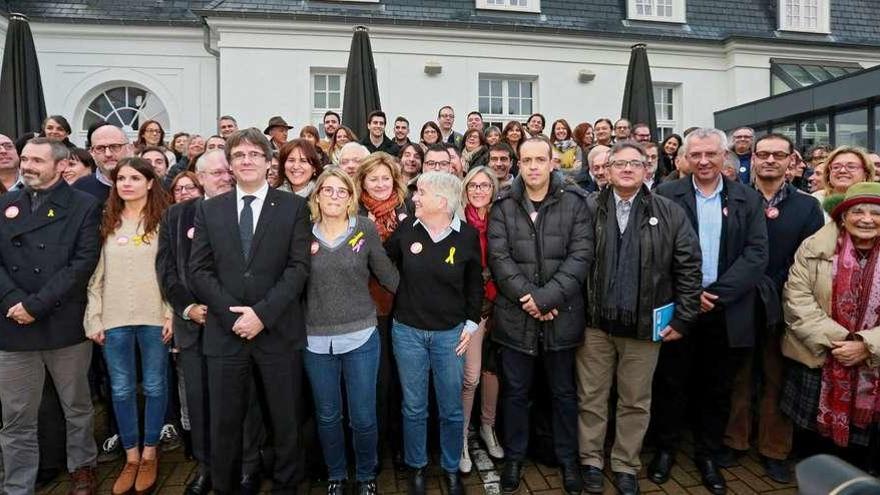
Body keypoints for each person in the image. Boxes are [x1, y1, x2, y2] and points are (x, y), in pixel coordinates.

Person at [189, 128, 310, 494]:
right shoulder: (209, 209)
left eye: (254, 154)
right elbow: (199, 270)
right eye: (239, 154)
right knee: (225, 424)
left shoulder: (294, 207)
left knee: (285, 421)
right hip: (225, 336)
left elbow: (298, 268)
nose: (246, 160)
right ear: (229, 163)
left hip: (277, 331)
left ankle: (287, 487)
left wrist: (261, 315)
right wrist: (233, 316)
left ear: (269, 162)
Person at [578, 141, 701, 495]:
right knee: (592, 397)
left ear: (648, 168)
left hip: (645, 326)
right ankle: (590, 461)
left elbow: (689, 266)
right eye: (620, 163)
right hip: (595, 323)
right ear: (607, 169)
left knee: (634, 400)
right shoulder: (587, 208)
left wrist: (683, 316)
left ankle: (625, 464)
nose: (628, 169)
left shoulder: (669, 212)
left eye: (635, 163)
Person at [651, 128, 768, 495]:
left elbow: (756, 255)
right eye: (696, 155)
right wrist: (689, 295)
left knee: (717, 387)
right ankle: (665, 450)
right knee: (671, 382)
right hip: (680, 309)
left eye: (711, 155)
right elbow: (655, 253)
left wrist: (714, 294)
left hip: (725, 309)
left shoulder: (747, 199)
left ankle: (708, 454)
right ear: (684, 158)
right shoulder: (666, 194)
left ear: (724, 156)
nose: (703, 161)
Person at [157, 150, 266, 495]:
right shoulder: (176, 216)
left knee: (244, 402)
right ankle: (207, 467)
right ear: (199, 178)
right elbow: (168, 270)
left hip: (237, 325)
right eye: (216, 172)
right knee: (201, 402)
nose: (224, 177)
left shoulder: (249, 212)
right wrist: (187, 307)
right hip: (194, 327)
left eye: (227, 171)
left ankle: (249, 467)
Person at [488, 137, 592, 495]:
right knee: (516, 392)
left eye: (539, 159)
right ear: (518, 163)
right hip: (516, 318)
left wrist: (547, 299)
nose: (533, 166)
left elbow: (580, 257)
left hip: (561, 316)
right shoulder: (503, 204)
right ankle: (515, 457)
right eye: (526, 160)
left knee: (564, 393)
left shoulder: (576, 203)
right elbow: (499, 261)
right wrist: (529, 300)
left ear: (553, 163)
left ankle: (567, 460)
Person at [0, 138, 101, 495]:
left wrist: (36, 305)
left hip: (62, 323)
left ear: (60, 165)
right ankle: (17, 484)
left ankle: (82, 467)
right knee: (16, 417)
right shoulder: (6, 204)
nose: (27, 166)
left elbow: (82, 264)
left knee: (76, 406)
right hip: (13, 325)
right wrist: (15, 302)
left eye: (36, 161)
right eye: (24, 158)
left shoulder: (84, 206)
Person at [721, 133, 824, 483]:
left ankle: (774, 449)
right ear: (753, 156)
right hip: (740, 301)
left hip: (784, 303)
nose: (769, 161)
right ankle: (735, 441)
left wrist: (772, 284)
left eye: (777, 155)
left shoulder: (807, 206)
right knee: (740, 376)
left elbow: (807, 258)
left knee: (777, 377)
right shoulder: (736, 197)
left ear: (791, 160)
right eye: (762, 154)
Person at [385, 171, 482, 495]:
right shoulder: (405, 229)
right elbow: (383, 262)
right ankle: (416, 467)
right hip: (408, 333)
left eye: (420, 193)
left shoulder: (466, 237)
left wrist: (470, 324)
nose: (414, 198)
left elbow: (474, 285)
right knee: (414, 406)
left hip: (449, 336)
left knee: (451, 406)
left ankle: (451, 467)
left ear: (441, 201)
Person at [304, 168, 399, 495]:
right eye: (327, 190)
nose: (333, 196)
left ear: (350, 198)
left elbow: (387, 274)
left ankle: (366, 474)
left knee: (362, 415)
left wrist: (427, 298)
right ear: (316, 196)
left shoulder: (365, 229)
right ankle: (336, 474)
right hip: (315, 340)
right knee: (328, 416)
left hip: (361, 335)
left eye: (340, 191)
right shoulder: (303, 233)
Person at [85, 157, 172, 495]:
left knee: (153, 387)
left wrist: (170, 314)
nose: (127, 184)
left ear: (150, 182)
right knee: (120, 390)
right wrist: (93, 317)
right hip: (114, 319)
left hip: (154, 317)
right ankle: (131, 456)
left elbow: (170, 272)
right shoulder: (106, 220)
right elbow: (95, 276)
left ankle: (151, 453)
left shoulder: (164, 221)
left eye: (135, 178)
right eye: (121, 178)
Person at [781, 181, 880, 470]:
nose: (866, 219)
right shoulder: (813, 247)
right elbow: (796, 299)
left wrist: (865, 346)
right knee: (815, 448)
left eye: (875, 213)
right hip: (822, 356)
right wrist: (840, 342)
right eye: (857, 211)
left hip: (873, 367)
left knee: (865, 454)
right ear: (842, 216)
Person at [355, 152, 413, 471]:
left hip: (403, 307)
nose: (380, 184)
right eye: (373, 178)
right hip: (366, 309)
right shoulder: (353, 211)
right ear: (362, 181)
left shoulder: (408, 209)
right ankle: (374, 446)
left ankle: (401, 443)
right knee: (376, 381)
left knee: (402, 379)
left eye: (385, 178)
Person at [459, 166, 505, 473]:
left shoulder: (503, 217)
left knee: (493, 371)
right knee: (471, 376)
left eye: (484, 185)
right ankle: (461, 435)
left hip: (502, 303)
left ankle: (487, 426)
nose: (478, 190)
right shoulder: (457, 219)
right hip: (471, 308)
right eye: (473, 185)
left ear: (493, 188)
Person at [76, 124, 133, 205]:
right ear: (92, 153)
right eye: (100, 148)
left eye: (115, 146)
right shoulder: (79, 188)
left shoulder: (147, 185)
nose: (108, 154)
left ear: (129, 149)